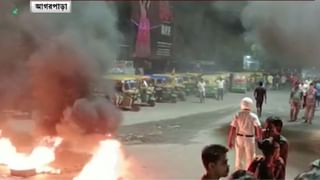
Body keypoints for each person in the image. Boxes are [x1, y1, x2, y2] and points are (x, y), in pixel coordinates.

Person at [227, 97, 262, 170]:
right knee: (250, 158)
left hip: (239, 138)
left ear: (241, 104)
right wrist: (259, 138)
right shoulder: (253, 116)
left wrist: (230, 141)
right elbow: (258, 127)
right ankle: (249, 174)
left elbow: (232, 129)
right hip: (250, 139)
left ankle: (239, 174)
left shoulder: (238, 115)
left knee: (239, 157)